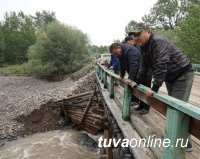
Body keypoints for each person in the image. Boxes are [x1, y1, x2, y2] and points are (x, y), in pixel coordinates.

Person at [131, 23, 194, 151]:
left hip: (182, 74)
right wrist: (136, 81)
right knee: (173, 106)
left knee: (178, 107)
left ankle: (184, 143)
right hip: (171, 77)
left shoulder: (158, 41)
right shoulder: (144, 46)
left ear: (148, 31)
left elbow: (161, 64)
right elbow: (143, 65)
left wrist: (154, 88)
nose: (136, 38)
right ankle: (177, 137)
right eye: (134, 35)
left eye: (138, 34)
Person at [125, 34, 152, 115]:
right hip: (141, 70)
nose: (134, 41)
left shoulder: (140, 46)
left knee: (146, 88)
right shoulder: (136, 47)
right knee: (140, 88)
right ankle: (141, 104)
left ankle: (146, 107)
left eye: (134, 40)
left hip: (147, 70)